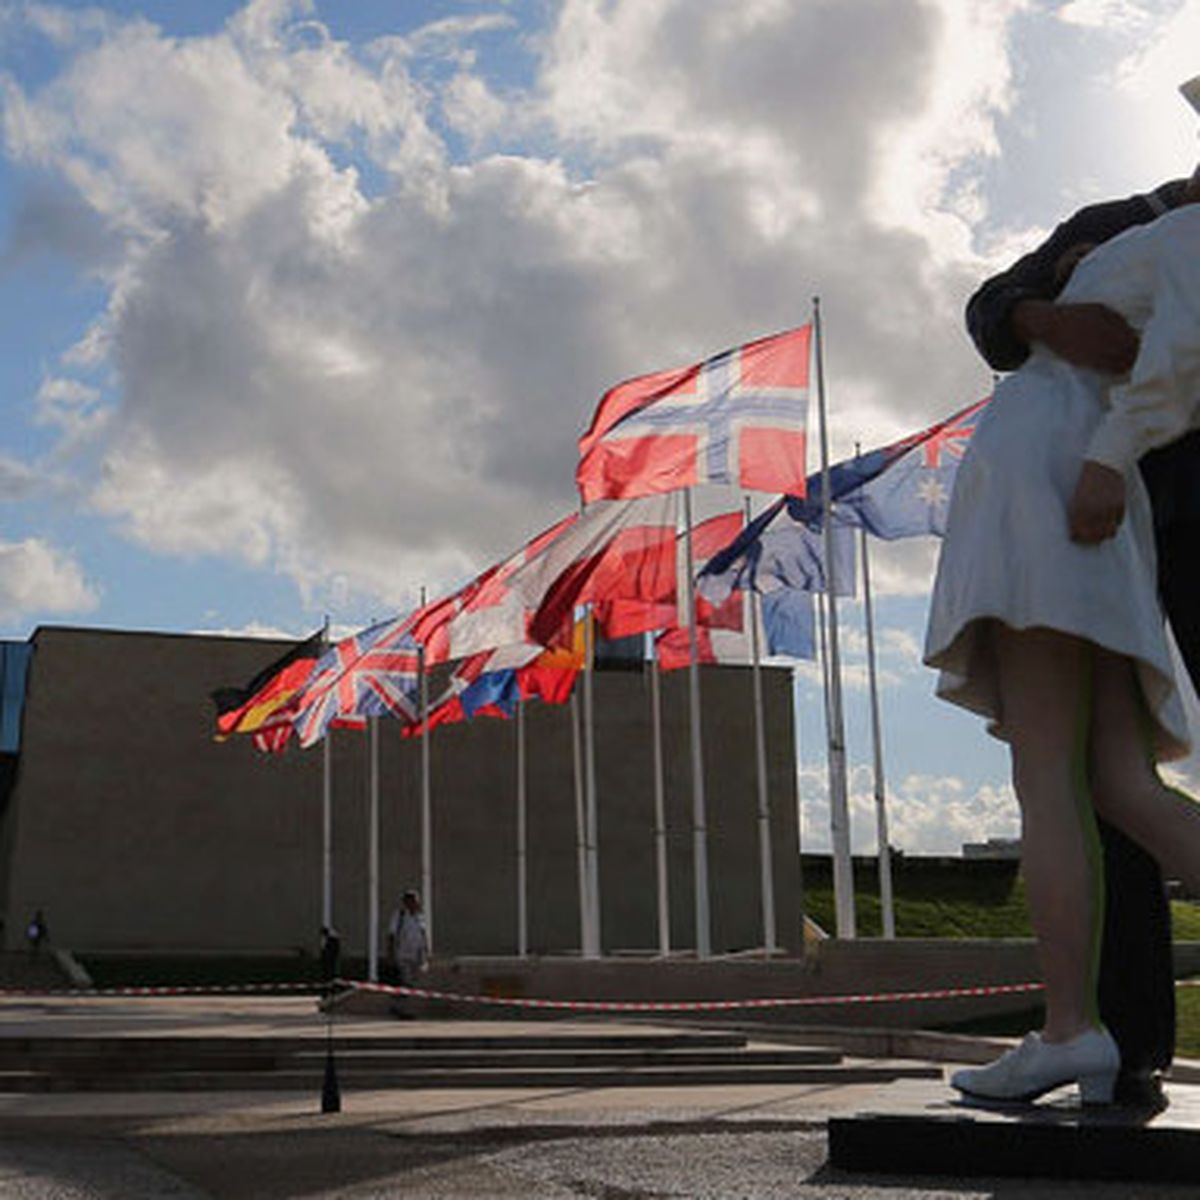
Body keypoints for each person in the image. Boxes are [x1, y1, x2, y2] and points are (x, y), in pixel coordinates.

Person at [924, 130, 1200, 1107]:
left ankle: (1073, 1031)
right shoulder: (1124, 223)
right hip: (1096, 488)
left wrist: (1099, 457)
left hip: (1077, 481)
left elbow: (1169, 370)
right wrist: (1047, 314)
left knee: (1060, 777)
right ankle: (1094, 1036)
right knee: (1116, 783)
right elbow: (999, 300)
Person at [386, 889, 428, 1018]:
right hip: (402, 955)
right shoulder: (400, 916)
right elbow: (391, 936)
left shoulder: (420, 916)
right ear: (406, 902)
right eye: (412, 901)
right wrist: (391, 954)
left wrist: (426, 951)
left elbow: (422, 935)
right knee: (406, 982)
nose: (415, 904)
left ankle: (400, 1007)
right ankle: (401, 1009)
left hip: (416, 956)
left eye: (416, 901)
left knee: (411, 985)